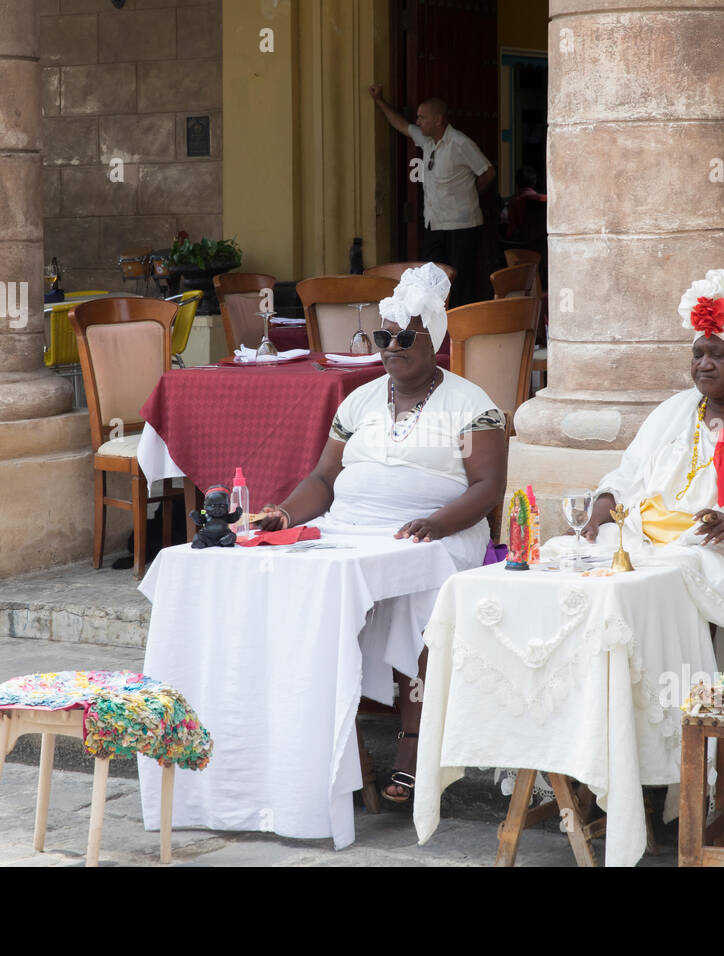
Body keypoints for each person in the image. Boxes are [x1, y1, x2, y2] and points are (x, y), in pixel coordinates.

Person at [254, 262, 508, 802]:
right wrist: (286, 514)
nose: (392, 345)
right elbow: (325, 476)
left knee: (418, 603)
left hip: (436, 536)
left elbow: (486, 487)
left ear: (432, 340)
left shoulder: (469, 404)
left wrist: (438, 523)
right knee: (305, 596)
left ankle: (412, 748)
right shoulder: (360, 400)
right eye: (383, 336)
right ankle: (327, 746)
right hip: (348, 528)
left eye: (405, 336)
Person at [553, 269, 724, 667]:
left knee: (678, 568)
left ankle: (679, 691)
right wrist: (598, 513)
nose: (704, 364)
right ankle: (598, 677)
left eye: (719, 354)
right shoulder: (675, 409)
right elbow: (628, 473)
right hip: (642, 535)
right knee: (566, 553)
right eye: (698, 354)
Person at [368, 86, 496, 308]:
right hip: (435, 224)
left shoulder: (460, 143)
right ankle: (437, 325)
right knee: (433, 278)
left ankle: (460, 329)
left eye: (422, 117)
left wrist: (469, 194)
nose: (418, 121)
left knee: (461, 281)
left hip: (462, 225)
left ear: (438, 120)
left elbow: (488, 172)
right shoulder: (426, 140)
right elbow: (400, 124)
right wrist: (379, 100)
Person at [505, 166, 546, 242]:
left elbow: (511, 220)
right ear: (534, 182)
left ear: (516, 182)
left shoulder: (516, 200)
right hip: (540, 240)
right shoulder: (544, 199)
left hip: (520, 240)